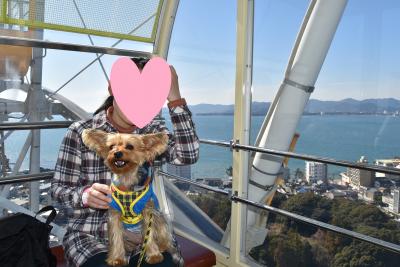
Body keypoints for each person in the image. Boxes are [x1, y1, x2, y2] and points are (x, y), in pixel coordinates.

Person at [50, 57, 199, 267]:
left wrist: (174, 98)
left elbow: (187, 155)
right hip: (92, 235)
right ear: (113, 89)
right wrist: (84, 196)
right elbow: (58, 191)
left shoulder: (150, 134)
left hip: (145, 236)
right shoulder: (81, 131)